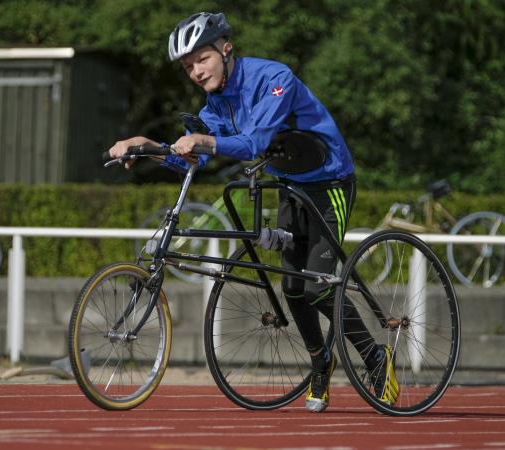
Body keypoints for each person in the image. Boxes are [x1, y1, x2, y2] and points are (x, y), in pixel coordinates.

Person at [108, 11, 398, 413]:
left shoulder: (275, 78)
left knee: (317, 286)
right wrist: (147, 146)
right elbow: (191, 159)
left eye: (201, 60)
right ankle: (321, 364)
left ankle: (375, 358)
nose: (195, 71)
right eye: (187, 66)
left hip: (329, 181)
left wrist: (201, 141)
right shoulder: (217, 103)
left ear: (226, 48)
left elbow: (252, 143)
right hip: (291, 185)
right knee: (293, 288)